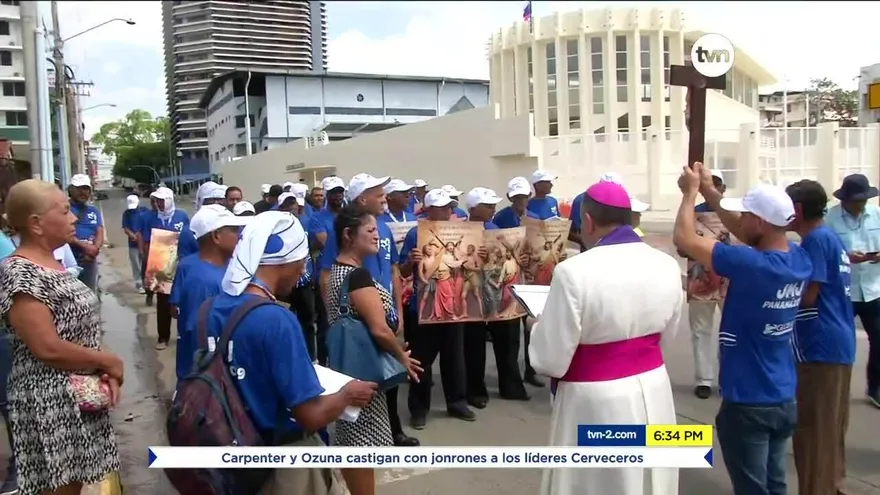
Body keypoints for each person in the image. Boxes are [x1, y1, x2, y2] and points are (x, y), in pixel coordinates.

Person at [206, 211, 377, 495]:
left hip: (226, 453)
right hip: (278, 461)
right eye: (301, 262)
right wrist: (349, 394)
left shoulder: (209, 310)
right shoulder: (277, 320)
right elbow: (309, 415)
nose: (302, 272)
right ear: (287, 261)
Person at [530, 180, 682, 495]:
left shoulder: (574, 272)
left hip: (596, 400)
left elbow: (551, 359)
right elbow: (668, 335)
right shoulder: (666, 264)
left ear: (587, 221)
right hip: (654, 386)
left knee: (601, 482)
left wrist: (536, 326)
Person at [673, 163, 811, 495]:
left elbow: (685, 238)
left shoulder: (751, 264)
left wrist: (690, 193)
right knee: (775, 482)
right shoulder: (798, 259)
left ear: (761, 221)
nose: (739, 222)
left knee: (751, 488)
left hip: (748, 402)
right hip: (783, 396)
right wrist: (710, 192)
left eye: (747, 215)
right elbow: (753, 231)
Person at [0, 179, 124, 495]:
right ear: (36, 224)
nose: (74, 219)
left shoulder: (53, 262)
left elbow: (79, 330)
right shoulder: (20, 272)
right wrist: (106, 360)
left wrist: (101, 369)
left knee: (74, 484)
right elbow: (47, 348)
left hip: (77, 396)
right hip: (50, 402)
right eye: (65, 211)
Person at [326, 205, 422, 494]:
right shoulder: (356, 277)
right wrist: (400, 355)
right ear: (347, 235)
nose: (376, 237)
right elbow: (379, 328)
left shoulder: (338, 272)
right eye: (369, 231)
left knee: (352, 439)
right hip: (364, 371)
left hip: (350, 368)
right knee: (361, 446)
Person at [786, 180, 855, 495]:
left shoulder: (814, 241)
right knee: (830, 430)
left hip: (820, 347)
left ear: (797, 210)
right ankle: (833, 486)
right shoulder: (831, 239)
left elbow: (808, 295)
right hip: (838, 343)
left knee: (813, 433)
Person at [400, 188, 473, 429]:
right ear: (429, 209)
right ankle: (419, 409)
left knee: (455, 357)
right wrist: (410, 262)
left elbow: (471, 266)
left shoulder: (462, 232)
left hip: (452, 306)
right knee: (421, 360)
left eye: (449, 207)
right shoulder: (415, 233)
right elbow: (401, 271)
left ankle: (457, 402)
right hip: (423, 308)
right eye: (442, 207)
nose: (448, 211)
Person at [462, 187, 529, 408]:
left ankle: (511, 385)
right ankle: (475, 391)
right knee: (474, 346)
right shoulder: (461, 231)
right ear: (473, 208)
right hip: (473, 296)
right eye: (487, 205)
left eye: (493, 205)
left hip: (499, 294)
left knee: (508, 341)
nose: (492, 209)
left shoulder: (496, 229)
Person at [169, 205, 247, 381]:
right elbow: (201, 340)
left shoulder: (226, 268)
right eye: (234, 230)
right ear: (216, 236)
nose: (240, 235)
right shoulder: (203, 281)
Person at [825, 173, 880, 407]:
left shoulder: (877, 215)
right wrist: (845, 256)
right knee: (840, 344)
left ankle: (875, 388)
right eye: (856, 201)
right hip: (843, 291)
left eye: (863, 200)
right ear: (844, 199)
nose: (860, 205)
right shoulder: (830, 219)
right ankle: (834, 392)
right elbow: (823, 252)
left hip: (873, 289)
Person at [493, 176, 544, 387]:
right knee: (511, 333)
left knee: (532, 328)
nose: (521, 201)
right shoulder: (500, 218)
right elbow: (495, 250)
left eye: (524, 196)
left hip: (531, 280)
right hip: (510, 281)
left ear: (529, 196)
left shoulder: (535, 218)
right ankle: (511, 375)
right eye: (516, 197)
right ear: (509, 198)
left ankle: (530, 371)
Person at [683, 169, 728, 399]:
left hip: (730, 277)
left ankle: (729, 377)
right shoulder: (692, 212)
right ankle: (704, 379)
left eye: (716, 185)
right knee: (701, 330)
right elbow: (681, 244)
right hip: (701, 275)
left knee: (731, 330)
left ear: (722, 188)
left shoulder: (733, 212)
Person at [140, 187, 198, 350]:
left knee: (182, 300)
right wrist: (147, 263)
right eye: (157, 201)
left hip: (180, 263)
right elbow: (145, 241)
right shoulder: (150, 218)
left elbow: (189, 237)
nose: (159, 204)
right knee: (163, 303)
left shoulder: (182, 216)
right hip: (160, 264)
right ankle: (163, 337)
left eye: (162, 200)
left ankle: (185, 334)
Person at [309, 177, 347, 365]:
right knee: (326, 323)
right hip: (327, 275)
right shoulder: (317, 217)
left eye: (340, 191)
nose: (337, 195)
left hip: (349, 275)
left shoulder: (349, 215)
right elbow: (325, 241)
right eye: (333, 192)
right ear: (327, 194)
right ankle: (324, 363)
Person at [68, 173, 103, 291]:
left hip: (90, 260)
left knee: (89, 293)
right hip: (71, 259)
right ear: (71, 189)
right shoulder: (64, 208)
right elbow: (65, 234)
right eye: (79, 188)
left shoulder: (93, 210)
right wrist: (85, 247)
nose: (83, 192)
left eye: (86, 189)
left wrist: (94, 250)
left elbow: (99, 230)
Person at [122, 194, 147, 294]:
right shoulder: (127, 214)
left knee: (145, 263)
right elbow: (125, 228)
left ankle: (147, 283)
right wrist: (131, 235)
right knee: (136, 264)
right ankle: (139, 284)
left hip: (144, 242)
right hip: (133, 244)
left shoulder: (145, 211)